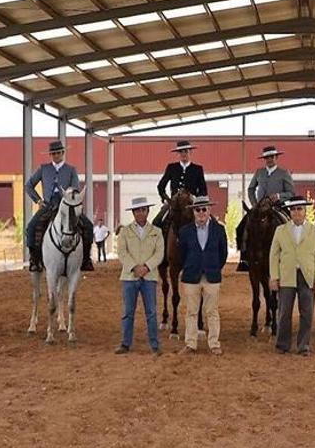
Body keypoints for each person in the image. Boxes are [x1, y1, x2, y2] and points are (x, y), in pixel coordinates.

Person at [24, 140, 94, 272]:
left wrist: (70, 200)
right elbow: (28, 185)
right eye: (53, 153)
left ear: (63, 153)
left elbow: (75, 189)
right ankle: (34, 259)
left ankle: (86, 259)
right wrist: (38, 200)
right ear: (50, 155)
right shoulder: (43, 169)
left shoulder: (71, 170)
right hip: (48, 205)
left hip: (67, 205)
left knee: (88, 226)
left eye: (58, 153)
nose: (56, 155)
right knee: (31, 227)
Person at [269, 196, 315, 356]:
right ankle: (282, 344)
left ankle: (304, 345)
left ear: (305, 211)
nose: (296, 212)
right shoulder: (280, 230)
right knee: (284, 312)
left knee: (307, 312)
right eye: (293, 209)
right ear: (290, 212)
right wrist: (274, 276)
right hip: (287, 276)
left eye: (299, 209)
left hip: (307, 276)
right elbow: (273, 255)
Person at [177, 196, 228, 356]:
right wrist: (191, 265)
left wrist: (213, 267)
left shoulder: (219, 230)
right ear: (193, 211)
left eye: (204, 209)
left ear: (209, 210)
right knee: (191, 311)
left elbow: (223, 254)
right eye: (197, 210)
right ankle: (190, 344)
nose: (201, 213)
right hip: (191, 276)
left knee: (212, 311)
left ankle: (214, 344)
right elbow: (181, 254)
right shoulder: (185, 231)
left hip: (211, 276)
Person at [115, 197, 165, 356]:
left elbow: (160, 253)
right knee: (128, 312)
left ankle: (154, 344)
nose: (140, 213)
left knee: (151, 312)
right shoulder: (124, 231)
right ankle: (125, 343)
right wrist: (134, 267)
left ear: (148, 211)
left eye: (143, 210)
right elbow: (122, 252)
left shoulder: (157, 232)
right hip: (130, 277)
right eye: (137, 210)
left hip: (149, 277)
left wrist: (147, 267)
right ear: (133, 213)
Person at [236, 145, 294, 271]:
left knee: (290, 226)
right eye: (267, 157)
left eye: (272, 157)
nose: (269, 159)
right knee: (242, 226)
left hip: (278, 207)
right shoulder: (259, 172)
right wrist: (254, 204)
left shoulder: (284, 173)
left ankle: (291, 255)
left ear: (276, 157)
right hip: (260, 208)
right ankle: (244, 257)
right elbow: (251, 189)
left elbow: (291, 193)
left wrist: (279, 196)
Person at [152, 140, 207, 230]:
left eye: (186, 151)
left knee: (210, 221)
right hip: (174, 203)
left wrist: (195, 199)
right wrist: (167, 199)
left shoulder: (197, 169)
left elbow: (203, 189)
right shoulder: (171, 167)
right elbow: (161, 186)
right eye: (181, 152)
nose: (183, 154)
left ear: (190, 152)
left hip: (191, 203)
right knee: (157, 222)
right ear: (178, 154)